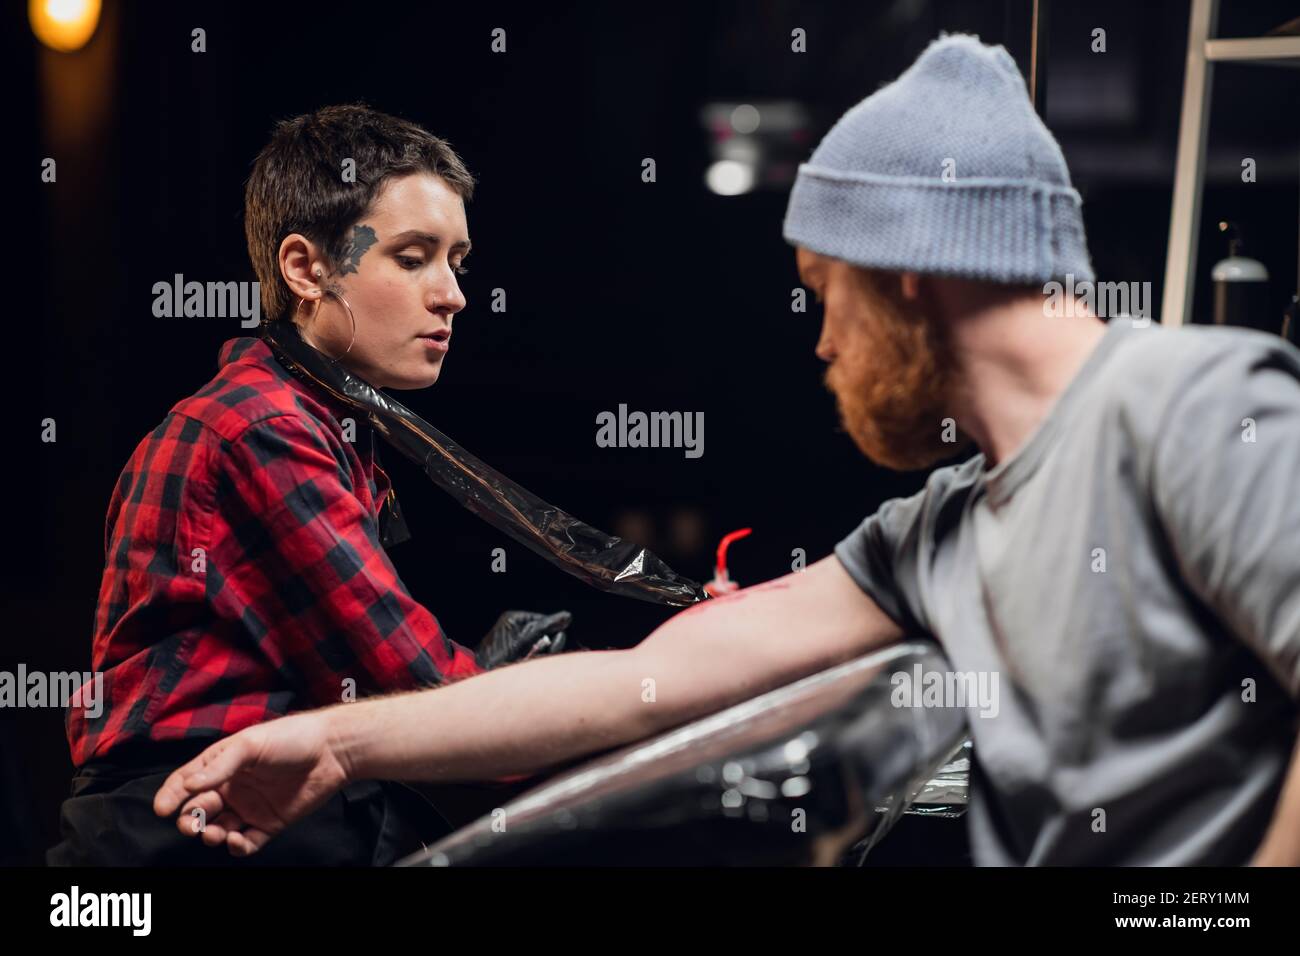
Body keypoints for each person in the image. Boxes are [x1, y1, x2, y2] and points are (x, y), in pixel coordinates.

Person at [155, 36, 1300, 866]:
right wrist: (337, 743)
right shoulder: (940, 529)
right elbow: (636, 685)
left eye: (823, 295)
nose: (824, 346)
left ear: (910, 267)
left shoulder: (1187, 407)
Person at [49, 105, 568, 866]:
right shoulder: (261, 427)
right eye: (414, 256)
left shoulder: (319, 425)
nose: (453, 293)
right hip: (183, 837)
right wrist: (584, 695)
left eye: (458, 261)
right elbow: (417, 689)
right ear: (305, 269)